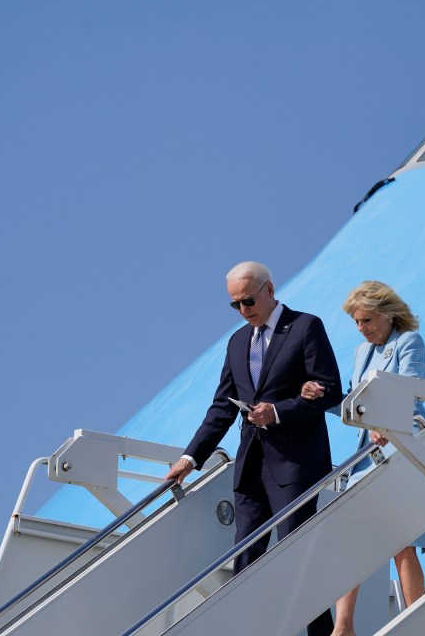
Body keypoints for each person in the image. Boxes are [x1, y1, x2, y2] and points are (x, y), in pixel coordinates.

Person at [166, 261, 343, 636]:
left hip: (295, 466)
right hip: (251, 468)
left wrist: (277, 412)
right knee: (245, 561)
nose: (243, 310)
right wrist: (190, 457)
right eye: (235, 305)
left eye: (247, 301)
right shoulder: (236, 342)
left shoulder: (305, 326)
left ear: (269, 290)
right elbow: (221, 407)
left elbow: (329, 391)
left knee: (296, 554)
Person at [300, 280, 425, 636]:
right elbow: (354, 406)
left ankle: (416, 619)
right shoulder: (361, 352)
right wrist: (322, 396)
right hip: (366, 456)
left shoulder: (408, 342)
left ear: (388, 315)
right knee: (353, 539)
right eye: (357, 322)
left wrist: (385, 419)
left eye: (367, 320)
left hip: (403, 448)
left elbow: (411, 389)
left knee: (402, 542)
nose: (362, 328)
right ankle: (343, 628)